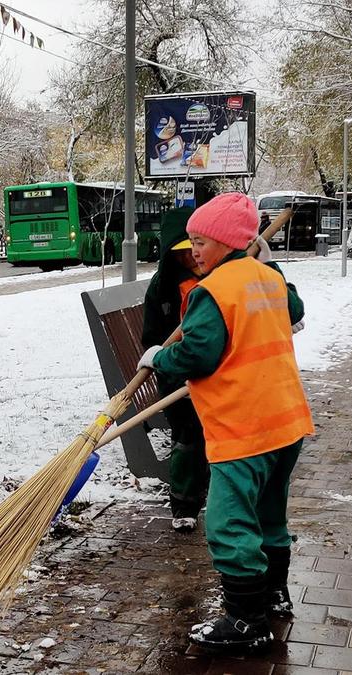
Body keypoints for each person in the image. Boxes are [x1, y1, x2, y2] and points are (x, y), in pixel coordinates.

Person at [137, 193, 313, 653]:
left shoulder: (212, 290)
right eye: (192, 240)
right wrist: (271, 268)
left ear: (226, 242)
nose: (194, 249)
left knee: (228, 521)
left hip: (244, 426)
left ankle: (245, 620)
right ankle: (273, 595)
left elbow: (198, 354)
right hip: (286, 422)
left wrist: (161, 355)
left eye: (201, 240)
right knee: (269, 513)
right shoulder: (266, 279)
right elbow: (294, 311)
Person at [141, 212, 208, 533]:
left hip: (212, 374)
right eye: (182, 251)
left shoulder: (216, 279)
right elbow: (152, 339)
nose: (191, 256)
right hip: (176, 378)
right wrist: (162, 358)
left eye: (195, 247)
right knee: (191, 432)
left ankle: (209, 489)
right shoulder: (163, 288)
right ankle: (184, 502)